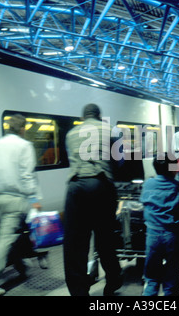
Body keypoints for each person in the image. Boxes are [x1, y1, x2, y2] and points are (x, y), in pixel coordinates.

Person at [0, 114, 42, 295]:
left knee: (12, 235)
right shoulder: (24, 146)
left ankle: (21, 267)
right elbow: (27, 175)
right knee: (6, 239)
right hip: (16, 201)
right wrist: (34, 199)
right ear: (22, 129)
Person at [63, 104, 122, 296]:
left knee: (75, 244)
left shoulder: (71, 133)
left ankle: (79, 291)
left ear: (83, 117)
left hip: (75, 187)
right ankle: (112, 282)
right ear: (99, 116)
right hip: (100, 185)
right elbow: (119, 160)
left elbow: (71, 158)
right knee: (105, 238)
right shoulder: (111, 130)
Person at [139, 153, 179, 296]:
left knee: (152, 277)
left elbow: (144, 201)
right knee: (171, 278)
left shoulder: (148, 184)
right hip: (172, 237)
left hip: (152, 236)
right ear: (174, 169)